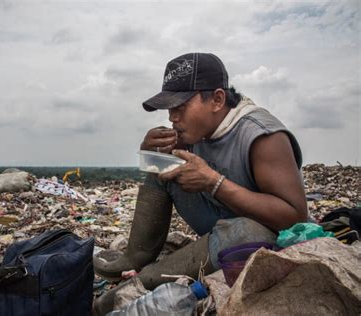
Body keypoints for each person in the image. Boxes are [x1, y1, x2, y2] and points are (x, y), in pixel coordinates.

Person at [93, 53, 308, 314]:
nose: (172, 117)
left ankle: (140, 283)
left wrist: (214, 182)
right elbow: (160, 172)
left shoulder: (262, 136)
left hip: (263, 243)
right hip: (220, 230)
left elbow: (295, 218)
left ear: (217, 99)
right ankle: (135, 258)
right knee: (164, 163)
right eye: (170, 109)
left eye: (180, 107)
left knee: (246, 232)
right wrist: (150, 155)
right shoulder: (197, 131)